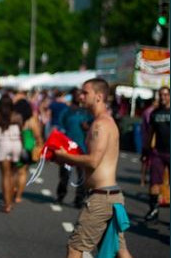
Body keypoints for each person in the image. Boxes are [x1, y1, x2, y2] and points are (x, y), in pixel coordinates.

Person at [53, 78, 132, 258]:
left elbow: (94, 161)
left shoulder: (101, 124)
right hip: (109, 195)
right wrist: (67, 158)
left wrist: (64, 156)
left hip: (102, 198)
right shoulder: (100, 122)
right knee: (120, 251)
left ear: (99, 97)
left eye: (85, 92)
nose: (80, 96)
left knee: (75, 247)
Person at [55, 88, 92, 208]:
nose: (79, 97)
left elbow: (93, 126)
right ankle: (61, 195)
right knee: (65, 174)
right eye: (76, 95)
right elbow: (60, 126)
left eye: (80, 94)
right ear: (72, 96)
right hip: (67, 148)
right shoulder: (66, 111)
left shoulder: (86, 112)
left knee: (81, 175)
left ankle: (79, 199)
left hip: (82, 148)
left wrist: (87, 127)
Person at [0, 94, 23, 213]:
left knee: (5, 175)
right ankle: (12, 196)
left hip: (3, 144)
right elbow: (21, 130)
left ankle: (7, 204)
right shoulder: (17, 117)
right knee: (13, 174)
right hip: (16, 144)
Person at [142, 86, 170, 222]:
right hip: (158, 152)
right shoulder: (155, 113)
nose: (163, 97)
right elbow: (150, 133)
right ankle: (153, 209)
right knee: (154, 183)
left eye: (165, 95)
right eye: (161, 95)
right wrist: (145, 151)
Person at [13, 89, 43, 203]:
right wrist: (40, 145)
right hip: (28, 146)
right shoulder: (31, 119)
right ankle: (18, 196)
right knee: (23, 172)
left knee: (13, 171)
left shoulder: (14, 117)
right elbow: (37, 135)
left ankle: (13, 189)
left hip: (15, 145)